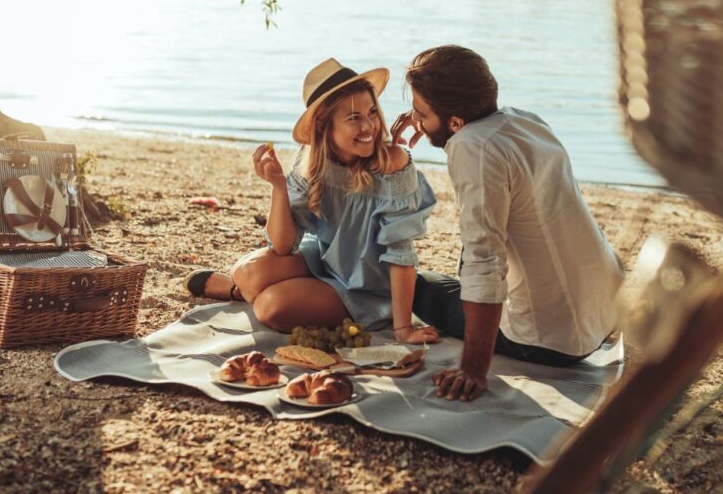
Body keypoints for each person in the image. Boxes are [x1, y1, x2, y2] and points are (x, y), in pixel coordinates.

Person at [391, 45, 624, 401]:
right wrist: (430, 119)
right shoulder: (523, 120)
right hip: (605, 311)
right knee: (456, 266)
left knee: (413, 287)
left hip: (549, 341)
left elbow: (486, 263)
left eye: (421, 113)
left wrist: (472, 369)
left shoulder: (473, 148)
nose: (415, 120)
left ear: (455, 121)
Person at [186, 58, 439, 344]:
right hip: (323, 260)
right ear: (323, 125)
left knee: (270, 307)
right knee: (245, 272)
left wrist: (403, 328)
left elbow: (401, 252)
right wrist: (278, 186)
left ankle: (244, 293)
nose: (369, 126)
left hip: (368, 287)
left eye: (372, 113)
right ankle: (239, 289)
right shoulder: (311, 160)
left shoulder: (394, 164)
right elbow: (282, 246)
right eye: (354, 118)